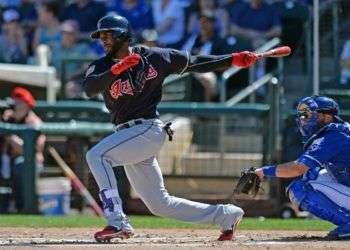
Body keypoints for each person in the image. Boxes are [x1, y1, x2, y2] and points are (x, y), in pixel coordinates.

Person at [83, 14, 257, 242]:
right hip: (127, 136)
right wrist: (116, 70)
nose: (104, 39)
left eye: (109, 34)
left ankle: (117, 221)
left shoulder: (155, 57)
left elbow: (196, 62)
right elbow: (90, 88)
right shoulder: (101, 65)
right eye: (101, 35)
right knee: (159, 204)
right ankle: (225, 215)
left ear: (123, 35)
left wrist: (233, 59)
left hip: (147, 128)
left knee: (96, 156)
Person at [254, 96, 350, 240]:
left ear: (327, 116)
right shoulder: (337, 132)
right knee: (311, 174)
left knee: (299, 188)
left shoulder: (334, 136)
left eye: (309, 115)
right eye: (303, 115)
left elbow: (297, 168)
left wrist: (264, 171)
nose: (304, 119)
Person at [1, 87, 46, 212]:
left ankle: (22, 208)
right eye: (15, 102)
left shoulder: (34, 122)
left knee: (20, 164)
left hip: (31, 162)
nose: (16, 106)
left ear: (27, 105)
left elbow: (31, 151)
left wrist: (10, 134)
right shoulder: (9, 118)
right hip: (9, 161)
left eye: (19, 103)